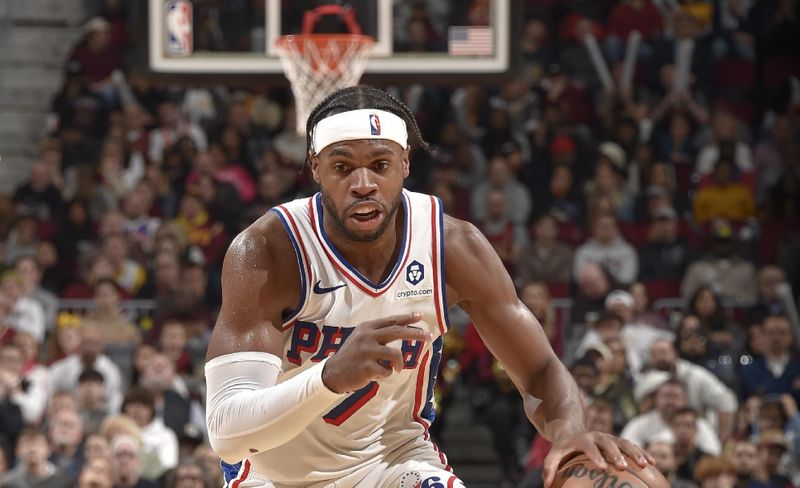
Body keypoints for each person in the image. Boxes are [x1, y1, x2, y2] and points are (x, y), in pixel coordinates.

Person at [204, 87, 653, 488]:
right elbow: (226, 434)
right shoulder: (268, 250)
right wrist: (329, 376)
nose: (363, 184)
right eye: (343, 167)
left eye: (380, 165)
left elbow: (538, 371)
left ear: (405, 164)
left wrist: (571, 433)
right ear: (315, 168)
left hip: (391, 463)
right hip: (272, 474)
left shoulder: (451, 246)